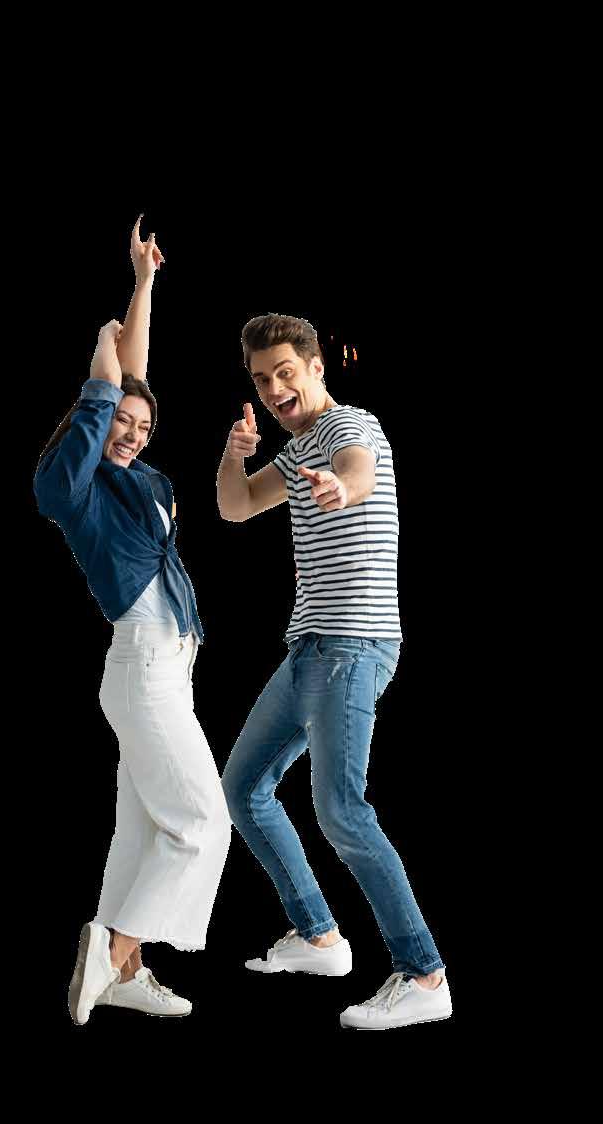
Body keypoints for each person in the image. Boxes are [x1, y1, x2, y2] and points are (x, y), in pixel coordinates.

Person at [217, 315, 452, 1030]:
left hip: (353, 644)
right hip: (308, 650)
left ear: (316, 367)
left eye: (286, 371)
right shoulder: (294, 452)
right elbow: (235, 507)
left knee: (342, 811)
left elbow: (359, 470)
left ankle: (425, 976)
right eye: (262, 379)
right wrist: (235, 454)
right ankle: (319, 937)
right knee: (244, 789)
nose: (275, 389)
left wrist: (341, 491)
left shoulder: (350, 425)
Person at [33, 217, 231, 1026]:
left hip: (170, 670)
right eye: (122, 421)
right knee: (204, 823)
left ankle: (127, 972)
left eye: (145, 428)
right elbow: (115, 388)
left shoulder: (140, 479)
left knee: (146, 828)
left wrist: (145, 283)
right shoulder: (73, 485)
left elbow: (137, 377)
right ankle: (114, 949)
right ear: (97, 416)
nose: (134, 433)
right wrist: (101, 374)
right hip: (143, 666)